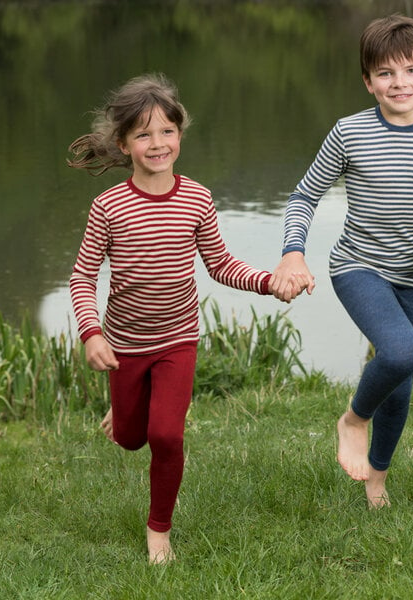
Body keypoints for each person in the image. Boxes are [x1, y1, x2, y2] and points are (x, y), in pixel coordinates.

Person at [68, 73, 305, 564]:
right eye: (143, 134)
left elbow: (220, 264)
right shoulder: (107, 208)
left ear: (181, 133)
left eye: (167, 131)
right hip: (125, 344)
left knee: (166, 436)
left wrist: (268, 281)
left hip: (179, 339)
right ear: (124, 143)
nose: (158, 144)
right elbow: (82, 278)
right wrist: (91, 333)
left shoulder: (197, 198)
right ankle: (125, 412)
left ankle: (159, 531)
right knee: (132, 439)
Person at [271, 15, 413, 508]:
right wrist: (293, 251)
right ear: (368, 82)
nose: (399, 83)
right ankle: (352, 419)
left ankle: (376, 482)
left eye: (411, 70)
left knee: (402, 386)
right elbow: (304, 196)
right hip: (357, 266)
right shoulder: (349, 133)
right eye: (385, 73)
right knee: (402, 352)